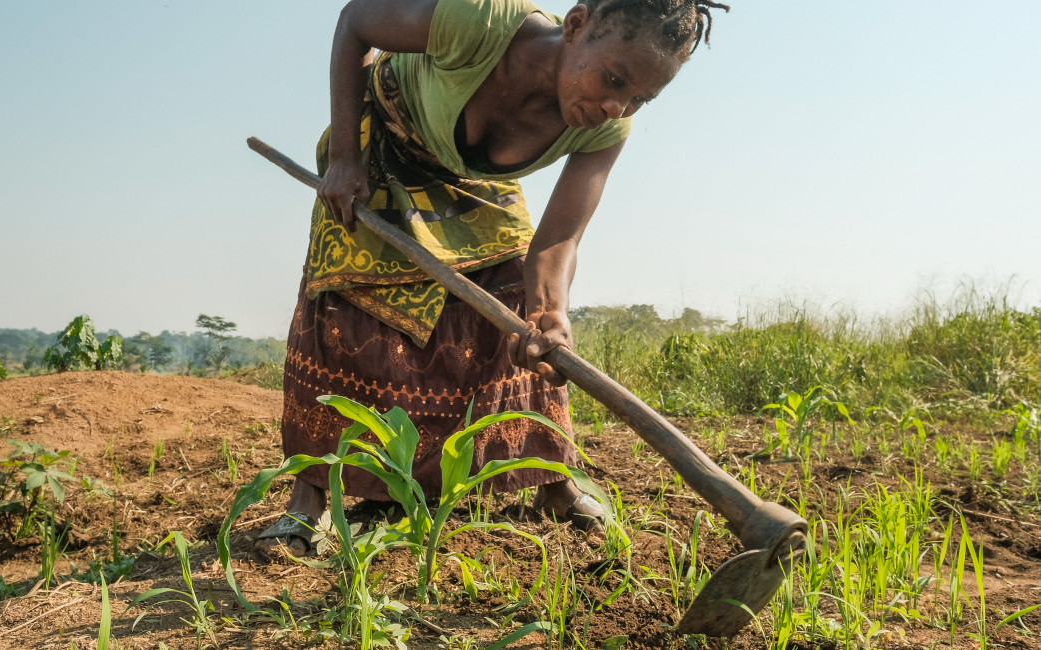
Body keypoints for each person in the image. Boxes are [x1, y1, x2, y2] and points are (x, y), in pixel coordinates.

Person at [258, 0, 727, 556]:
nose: (614, 105)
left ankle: (553, 480)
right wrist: (343, 156)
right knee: (345, 306)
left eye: (637, 98)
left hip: (469, 179)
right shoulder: (479, 20)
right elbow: (356, 20)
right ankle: (310, 500)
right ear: (575, 26)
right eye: (614, 78)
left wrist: (551, 310)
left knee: (513, 302)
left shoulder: (608, 127)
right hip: (377, 145)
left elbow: (558, 240)